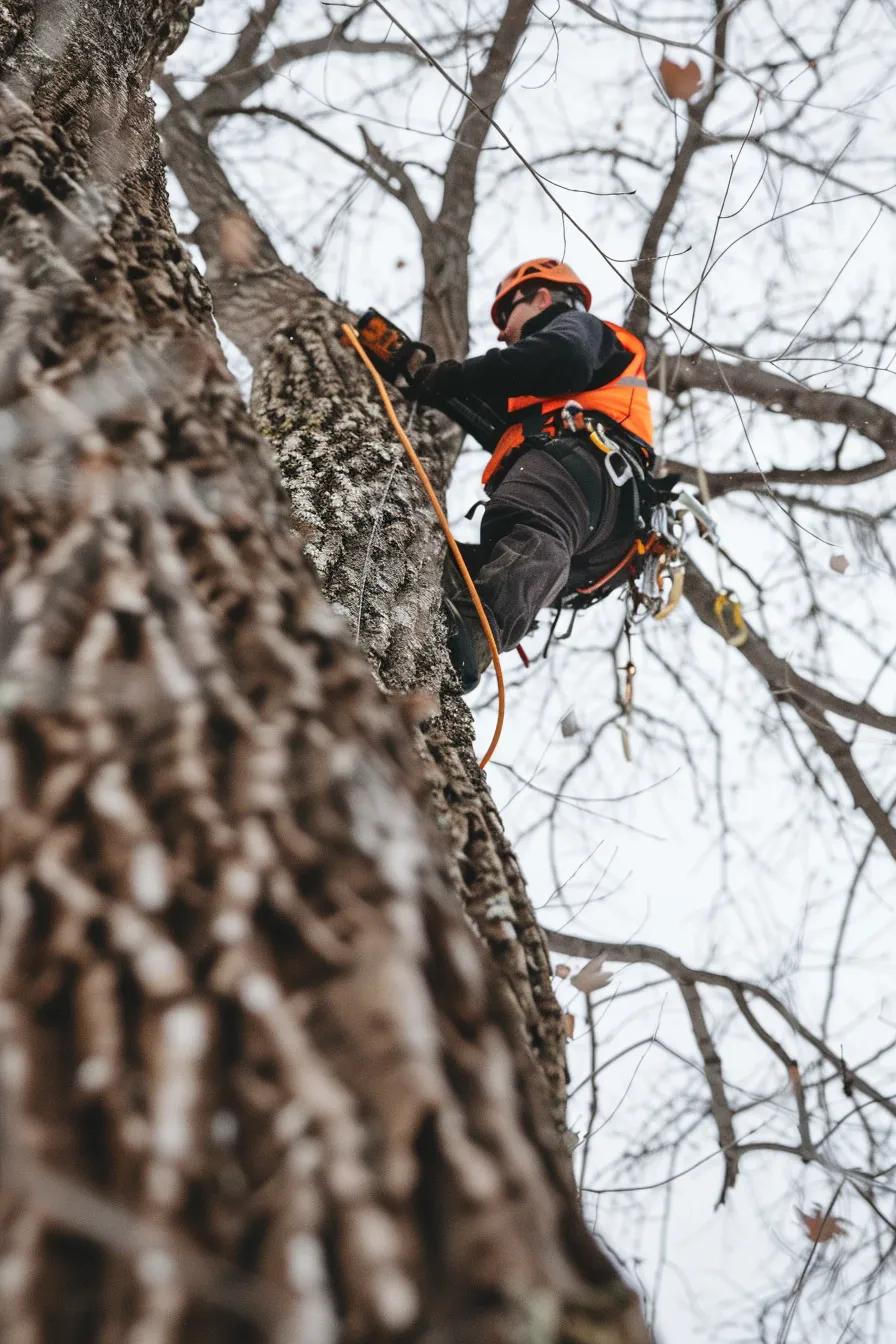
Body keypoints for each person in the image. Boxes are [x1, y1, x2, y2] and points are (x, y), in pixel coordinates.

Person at [406, 257, 658, 691]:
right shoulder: (548, 390)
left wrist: (457, 375)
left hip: (583, 475)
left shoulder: (577, 330)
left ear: (542, 296)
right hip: (592, 536)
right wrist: (433, 384)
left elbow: (561, 357)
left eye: (508, 315)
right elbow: (493, 410)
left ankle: (473, 633)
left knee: (527, 524)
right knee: (474, 560)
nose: (502, 332)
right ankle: (443, 599)